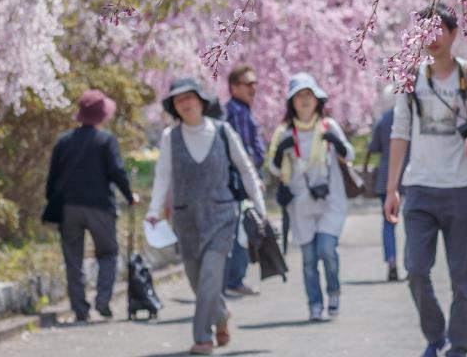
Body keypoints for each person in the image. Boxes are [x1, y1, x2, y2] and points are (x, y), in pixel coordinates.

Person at [383, 3, 467, 357]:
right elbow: (400, 132)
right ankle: (435, 335)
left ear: (453, 34)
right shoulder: (410, 77)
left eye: (438, 30)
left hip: (461, 188)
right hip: (419, 189)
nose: (431, 39)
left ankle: (458, 346)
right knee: (415, 270)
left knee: (461, 278)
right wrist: (392, 189)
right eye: (425, 32)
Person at [146, 78, 268, 356]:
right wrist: (154, 212)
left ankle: (202, 337)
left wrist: (259, 206)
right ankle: (221, 315)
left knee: (211, 275)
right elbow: (162, 176)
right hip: (186, 220)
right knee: (196, 280)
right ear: (174, 107)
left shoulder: (223, 132)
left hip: (221, 216)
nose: (186, 103)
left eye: (190, 97)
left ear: (201, 101)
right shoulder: (169, 138)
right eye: (179, 100)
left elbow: (246, 169)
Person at [267, 72, 354, 322]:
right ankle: (314, 304)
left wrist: (336, 142)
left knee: (327, 250)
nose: (304, 100)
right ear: (291, 102)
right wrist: (278, 155)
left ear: (317, 100)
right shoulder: (284, 133)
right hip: (300, 203)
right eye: (299, 96)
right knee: (308, 259)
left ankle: (334, 293)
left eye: (309, 95)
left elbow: (348, 155)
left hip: (330, 201)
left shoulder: (328, 126)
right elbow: (275, 169)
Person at [46, 89, 137, 323]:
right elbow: (117, 172)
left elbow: (52, 178)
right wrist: (129, 196)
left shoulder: (63, 141)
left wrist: (53, 203)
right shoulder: (105, 141)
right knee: (108, 253)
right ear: (101, 115)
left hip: (68, 208)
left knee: (73, 259)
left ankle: (80, 309)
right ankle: (103, 300)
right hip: (99, 207)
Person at [223, 65, 265, 297]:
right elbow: (243, 152)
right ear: (233, 87)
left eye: (255, 83)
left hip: (243, 182)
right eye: (248, 84)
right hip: (240, 185)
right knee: (241, 229)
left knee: (242, 228)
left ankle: (233, 279)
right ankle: (234, 280)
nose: (254, 88)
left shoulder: (243, 110)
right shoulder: (236, 112)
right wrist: (254, 177)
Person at [367, 87, 407, 282]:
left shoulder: (383, 120)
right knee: (412, 220)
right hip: (409, 173)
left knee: (388, 221)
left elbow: (373, 147)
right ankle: (411, 261)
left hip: (386, 174)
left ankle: (391, 261)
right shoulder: (412, 118)